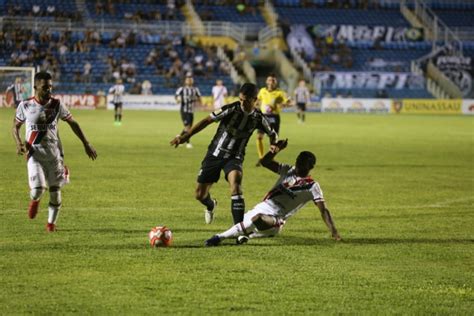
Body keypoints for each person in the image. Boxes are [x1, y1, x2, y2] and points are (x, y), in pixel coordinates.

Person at [170, 83, 278, 225]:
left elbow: (273, 134)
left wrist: (273, 146)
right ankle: (210, 205)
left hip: (235, 157)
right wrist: (185, 137)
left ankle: (239, 229)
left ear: (254, 99)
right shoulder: (231, 109)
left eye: (245, 100)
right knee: (199, 195)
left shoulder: (259, 118)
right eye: (240, 99)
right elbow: (206, 121)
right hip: (215, 154)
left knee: (236, 185)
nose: (242, 103)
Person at [205, 139, 341, 246]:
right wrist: (275, 150)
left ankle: (218, 237)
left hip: (276, 219)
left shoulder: (312, 186)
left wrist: (334, 232)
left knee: (256, 219)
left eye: (302, 163)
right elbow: (265, 162)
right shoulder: (288, 170)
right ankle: (249, 235)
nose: (298, 164)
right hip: (260, 208)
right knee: (245, 225)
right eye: (298, 161)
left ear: (310, 167)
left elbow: (324, 211)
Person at [12, 71, 97, 232]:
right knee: (37, 190)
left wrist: (86, 143)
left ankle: (51, 225)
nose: (49, 90)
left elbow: (73, 123)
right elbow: (15, 127)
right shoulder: (25, 105)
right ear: (36, 86)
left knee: (55, 193)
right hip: (34, 154)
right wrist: (18, 143)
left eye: (50, 86)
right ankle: (35, 201)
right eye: (45, 87)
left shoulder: (57, 104)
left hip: (54, 155)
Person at [256, 73, 291, 166]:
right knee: (259, 137)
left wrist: (284, 104)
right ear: (266, 81)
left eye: (273, 80)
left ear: (275, 82)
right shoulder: (262, 91)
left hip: (274, 117)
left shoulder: (280, 93)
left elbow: (288, 102)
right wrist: (256, 105)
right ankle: (261, 157)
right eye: (269, 80)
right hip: (263, 116)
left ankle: (270, 158)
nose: (271, 82)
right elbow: (257, 100)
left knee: (273, 141)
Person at [175, 75, 202, 149]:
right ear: (185, 81)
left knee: (189, 128)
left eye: (191, 80)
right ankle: (188, 143)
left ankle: (179, 138)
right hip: (184, 110)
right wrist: (177, 99)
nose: (189, 81)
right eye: (188, 80)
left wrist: (200, 104)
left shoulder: (195, 89)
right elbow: (176, 95)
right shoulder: (182, 89)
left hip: (191, 111)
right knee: (187, 127)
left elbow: (199, 97)